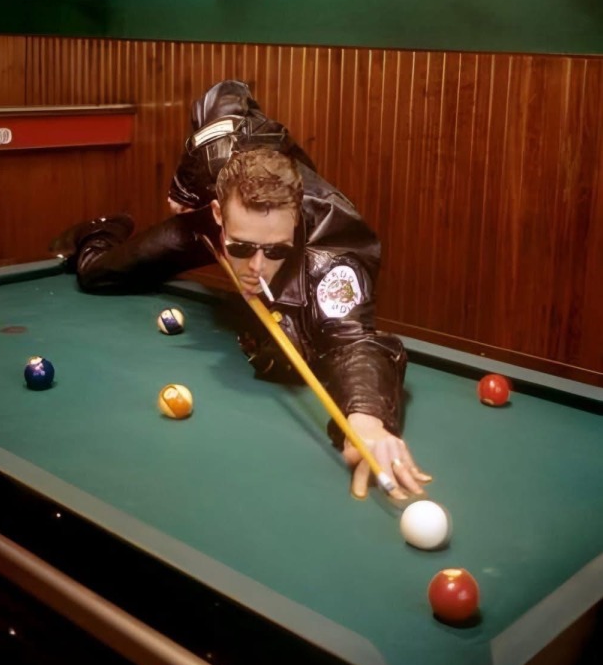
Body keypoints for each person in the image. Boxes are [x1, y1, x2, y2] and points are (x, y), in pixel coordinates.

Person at [50, 80, 432, 502]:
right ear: (218, 211)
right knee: (97, 275)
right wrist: (182, 196)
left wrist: (368, 419)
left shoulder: (333, 257)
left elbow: (355, 340)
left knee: (299, 335)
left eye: (275, 251)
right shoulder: (213, 160)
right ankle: (102, 230)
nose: (256, 266)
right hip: (205, 219)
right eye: (243, 249)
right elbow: (222, 98)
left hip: (285, 240)